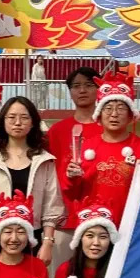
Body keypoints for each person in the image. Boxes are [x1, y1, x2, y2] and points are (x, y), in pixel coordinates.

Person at [0, 96, 64, 265]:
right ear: (2, 121)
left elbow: (51, 206)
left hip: (31, 238)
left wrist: (47, 242)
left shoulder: (44, 161)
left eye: (24, 117)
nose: (18, 123)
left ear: (33, 123)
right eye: (11, 117)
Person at [65, 73, 140, 230]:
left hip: (132, 225)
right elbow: (72, 193)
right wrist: (71, 178)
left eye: (121, 108)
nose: (114, 114)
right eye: (108, 108)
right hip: (93, 226)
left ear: (130, 116)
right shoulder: (84, 147)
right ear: (99, 115)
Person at [48, 67, 102, 262]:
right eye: (76, 86)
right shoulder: (57, 131)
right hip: (65, 218)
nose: (82, 90)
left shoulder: (109, 129)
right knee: (62, 274)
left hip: (101, 218)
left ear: (99, 89)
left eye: (89, 85)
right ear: (70, 91)